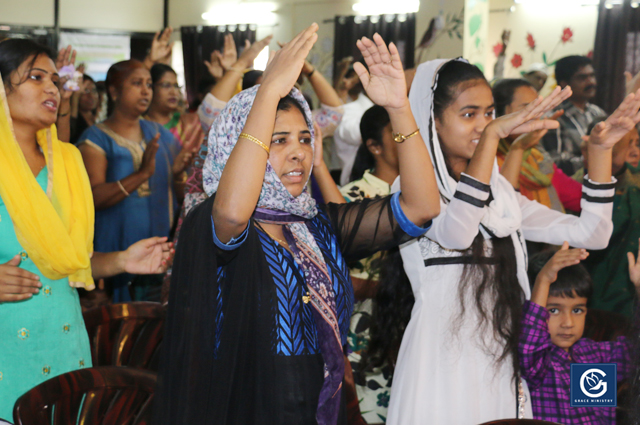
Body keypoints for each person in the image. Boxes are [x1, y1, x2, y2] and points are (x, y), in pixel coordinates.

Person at [153, 26, 440, 425]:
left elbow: (422, 206)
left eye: (305, 139)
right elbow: (235, 212)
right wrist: (267, 92)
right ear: (237, 143)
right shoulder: (215, 223)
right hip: (247, 402)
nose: (297, 154)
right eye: (279, 140)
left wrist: (398, 109)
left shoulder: (316, 226)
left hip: (319, 398)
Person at [386, 58, 638, 425]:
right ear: (432, 119)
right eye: (468, 114)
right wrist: (491, 139)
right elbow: (457, 233)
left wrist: (600, 152)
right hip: (441, 363)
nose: (484, 125)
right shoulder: (414, 192)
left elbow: (592, 234)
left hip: (501, 360)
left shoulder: (501, 197)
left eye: (489, 114)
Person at [0, 38, 173, 421]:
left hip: (63, 343)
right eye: (35, 77)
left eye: (55, 81)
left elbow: (72, 262)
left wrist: (124, 260)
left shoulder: (67, 161)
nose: (51, 88)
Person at [77, 59, 198, 302]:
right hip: (113, 253)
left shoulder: (160, 134)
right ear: (113, 91)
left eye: (149, 84)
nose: (146, 91)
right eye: (136, 84)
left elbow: (181, 194)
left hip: (159, 250)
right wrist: (141, 174)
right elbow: (93, 197)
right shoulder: (96, 138)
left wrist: (177, 174)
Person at [520, 243, 634, 424]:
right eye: (554, 311)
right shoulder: (537, 364)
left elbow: (635, 354)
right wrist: (543, 280)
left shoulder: (594, 355)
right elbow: (529, 348)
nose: (568, 323)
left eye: (577, 310)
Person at [340, 105, 397, 423]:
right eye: (397, 134)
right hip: (364, 330)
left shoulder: (428, 195)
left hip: (408, 327)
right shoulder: (354, 199)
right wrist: (388, 288)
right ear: (375, 147)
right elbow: (335, 278)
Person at [493, 78, 581, 213]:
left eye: (538, 109)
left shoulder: (537, 158)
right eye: (527, 108)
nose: (535, 117)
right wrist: (518, 148)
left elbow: (579, 199)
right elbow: (502, 211)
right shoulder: (487, 160)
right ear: (499, 113)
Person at [581, 122, 640, 318]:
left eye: (637, 144)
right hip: (584, 298)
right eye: (626, 144)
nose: (634, 152)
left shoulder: (635, 187)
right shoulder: (573, 188)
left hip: (629, 299)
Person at [542, 56, 606, 176]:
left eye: (592, 75)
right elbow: (555, 165)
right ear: (564, 83)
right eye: (582, 78)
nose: (591, 82)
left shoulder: (597, 112)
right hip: (571, 188)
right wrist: (597, 158)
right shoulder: (554, 117)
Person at [334, 66, 374, 186]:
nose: (352, 81)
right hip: (352, 175)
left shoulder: (368, 104)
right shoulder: (344, 108)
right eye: (350, 77)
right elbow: (356, 134)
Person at [145, 63, 202, 147]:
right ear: (151, 88)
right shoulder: (139, 125)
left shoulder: (187, 124)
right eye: (166, 86)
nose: (174, 92)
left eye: (176, 86)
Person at [69, 74, 98, 145]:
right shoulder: (72, 121)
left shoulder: (101, 117)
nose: (91, 96)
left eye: (94, 90)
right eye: (86, 91)